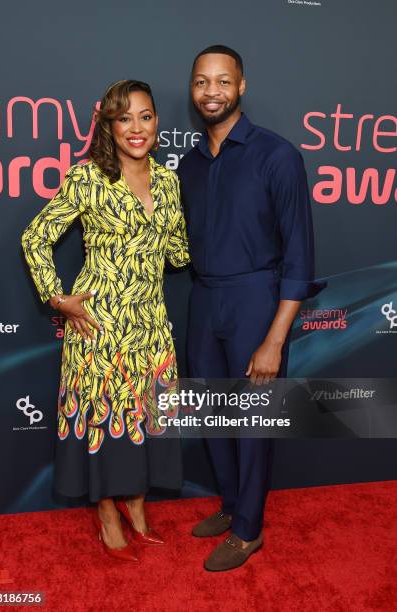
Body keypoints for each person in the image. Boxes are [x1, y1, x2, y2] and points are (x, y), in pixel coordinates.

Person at [21, 79, 190, 563]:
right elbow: (36, 237)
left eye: (146, 116)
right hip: (100, 327)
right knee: (106, 419)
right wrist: (59, 298)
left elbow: (177, 250)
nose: (136, 128)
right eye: (124, 118)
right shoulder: (87, 177)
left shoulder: (168, 180)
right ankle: (108, 512)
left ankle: (137, 504)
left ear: (157, 122)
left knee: (146, 419)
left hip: (152, 327)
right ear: (109, 126)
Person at [176, 46, 327, 572]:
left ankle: (248, 530)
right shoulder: (189, 165)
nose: (211, 91)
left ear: (242, 87)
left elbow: (299, 258)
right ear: (192, 90)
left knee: (254, 419)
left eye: (222, 81)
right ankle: (231, 505)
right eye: (201, 82)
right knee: (212, 415)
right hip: (205, 299)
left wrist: (274, 338)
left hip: (257, 300)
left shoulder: (277, 155)